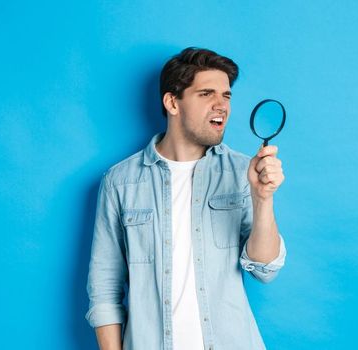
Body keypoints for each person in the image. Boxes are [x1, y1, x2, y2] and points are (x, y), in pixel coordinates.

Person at [85, 47, 287, 350]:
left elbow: (265, 269)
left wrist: (263, 198)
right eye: (207, 94)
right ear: (172, 103)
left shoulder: (244, 172)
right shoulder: (120, 181)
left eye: (227, 96)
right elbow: (104, 290)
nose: (222, 105)